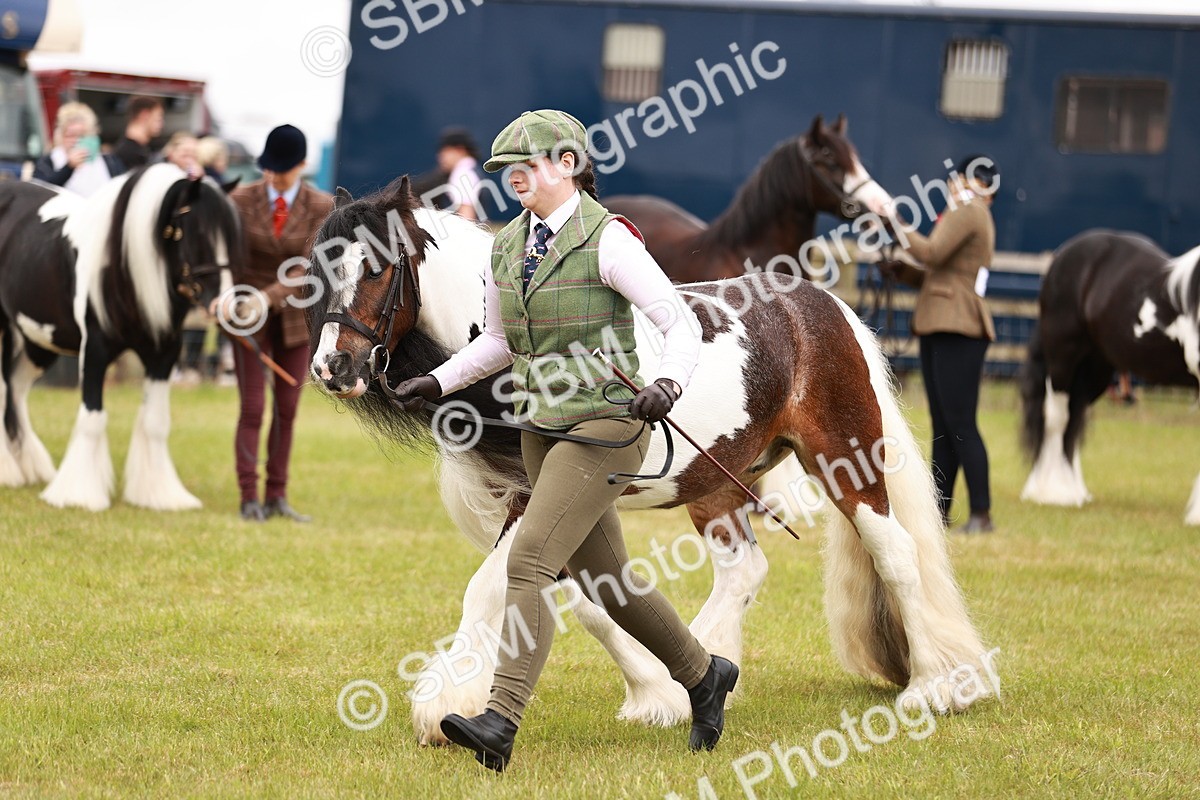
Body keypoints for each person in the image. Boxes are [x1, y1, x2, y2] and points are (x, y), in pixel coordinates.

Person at [392, 110, 738, 771]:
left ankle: (500, 718)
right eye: (506, 169)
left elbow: (678, 325)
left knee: (528, 564)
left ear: (570, 164)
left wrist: (666, 383)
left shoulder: (609, 241)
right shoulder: (506, 245)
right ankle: (703, 676)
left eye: (529, 163)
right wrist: (434, 383)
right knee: (611, 584)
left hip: (606, 428)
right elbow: (496, 343)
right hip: (541, 430)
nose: (515, 176)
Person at [880, 155, 998, 534]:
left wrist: (896, 224)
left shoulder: (968, 210)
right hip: (942, 323)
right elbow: (940, 272)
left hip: (956, 327)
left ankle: (981, 513)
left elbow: (931, 252)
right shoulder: (966, 213)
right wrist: (903, 271)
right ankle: (940, 513)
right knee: (945, 425)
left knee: (960, 422)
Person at [223, 124, 332, 522]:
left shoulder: (321, 207)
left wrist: (264, 297)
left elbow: (308, 267)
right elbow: (223, 254)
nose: (272, 176)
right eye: (268, 168)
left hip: (293, 320)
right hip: (247, 321)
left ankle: (277, 496)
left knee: (287, 410)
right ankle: (248, 495)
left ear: (301, 166)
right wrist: (228, 296)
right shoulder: (238, 199)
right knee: (252, 408)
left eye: (281, 169)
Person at [33, 102, 125, 195]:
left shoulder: (110, 161)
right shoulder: (48, 162)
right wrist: (69, 168)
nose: (76, 141)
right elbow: (40, 192)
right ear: (61, 136)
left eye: (82, 135)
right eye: (71, 135)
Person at [435, 126, 483, 220]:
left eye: (445, 151)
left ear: (459, 150)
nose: (441, 157)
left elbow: (467, 217)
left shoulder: (462, 174)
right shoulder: (471, 170)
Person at [112, 96, 164, 170]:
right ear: (145, 115)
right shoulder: (129, 154)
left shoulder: (140, 151)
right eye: (158, 119)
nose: (161, 124)